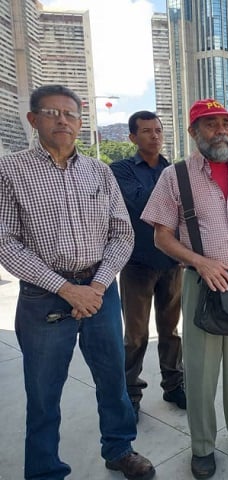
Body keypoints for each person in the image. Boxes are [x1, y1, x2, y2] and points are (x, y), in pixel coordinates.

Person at [0, 85, 154, 479]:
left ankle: (119, 448)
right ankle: (45, 469)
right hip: (44, 297)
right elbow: (6, 242)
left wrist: (98, 287)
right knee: (43, 391)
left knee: (112, 379)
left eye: (70, 114)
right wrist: (67, 289)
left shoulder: (99, 171)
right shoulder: (10, 170)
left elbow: (122, 234)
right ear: (34, 120)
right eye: (52, 113)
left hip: (101, 290)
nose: (62, 120)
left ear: (80, 123)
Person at [141, 99, 228, 479]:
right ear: (193, 131)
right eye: (210, 124)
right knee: (201, 371)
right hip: (202, 281)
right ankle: (202, 446)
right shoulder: (176, 176)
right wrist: (199, 261)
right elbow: (161, 236)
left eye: (224, 123)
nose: (220, 130)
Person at [111, 111, 185, 421]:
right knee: (136, 334)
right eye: (145, 131)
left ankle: (174, 384)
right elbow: (143, 203)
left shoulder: (176, 170)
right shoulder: (121, 170)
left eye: (157, 130)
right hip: (137, 263)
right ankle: (130, 392)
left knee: (170, 331)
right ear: (132, 137)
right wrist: (179, 201)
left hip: (172, 261)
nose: (154, 136)